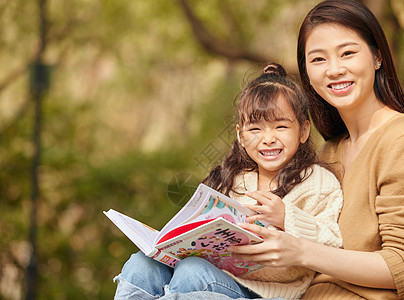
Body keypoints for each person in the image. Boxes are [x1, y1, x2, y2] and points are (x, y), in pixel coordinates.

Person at [154, 0, 404, 299]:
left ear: (377, 57)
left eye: (347, 53)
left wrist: (301, 251)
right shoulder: (330, 151)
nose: (334, 70)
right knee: (155, 270)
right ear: (306, 72)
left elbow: (403, 268)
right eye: (318, 59)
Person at [113, 62, 344, 299]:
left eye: (281, 126)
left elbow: (333, 244)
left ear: (304, 131)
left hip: (271, 294)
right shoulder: (234, 180)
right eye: (255, 129)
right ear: (240, 136)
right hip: (223, 279)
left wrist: (287, 218)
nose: (268, 138)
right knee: (142, 262)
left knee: (192, 272)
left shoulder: (318, 182)